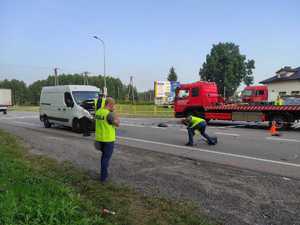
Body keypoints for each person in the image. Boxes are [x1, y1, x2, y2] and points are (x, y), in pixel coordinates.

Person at [94, 97, 120, 182]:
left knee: (103, 157)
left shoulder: (98, 112)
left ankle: (103, 173)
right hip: (108, 140)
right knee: (106, 158)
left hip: (99, 139)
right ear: (109, 104)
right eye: (113, 105)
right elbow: (117, 124)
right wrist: (115, 113)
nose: (114, 107)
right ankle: (103, 177)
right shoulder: (109, 114)